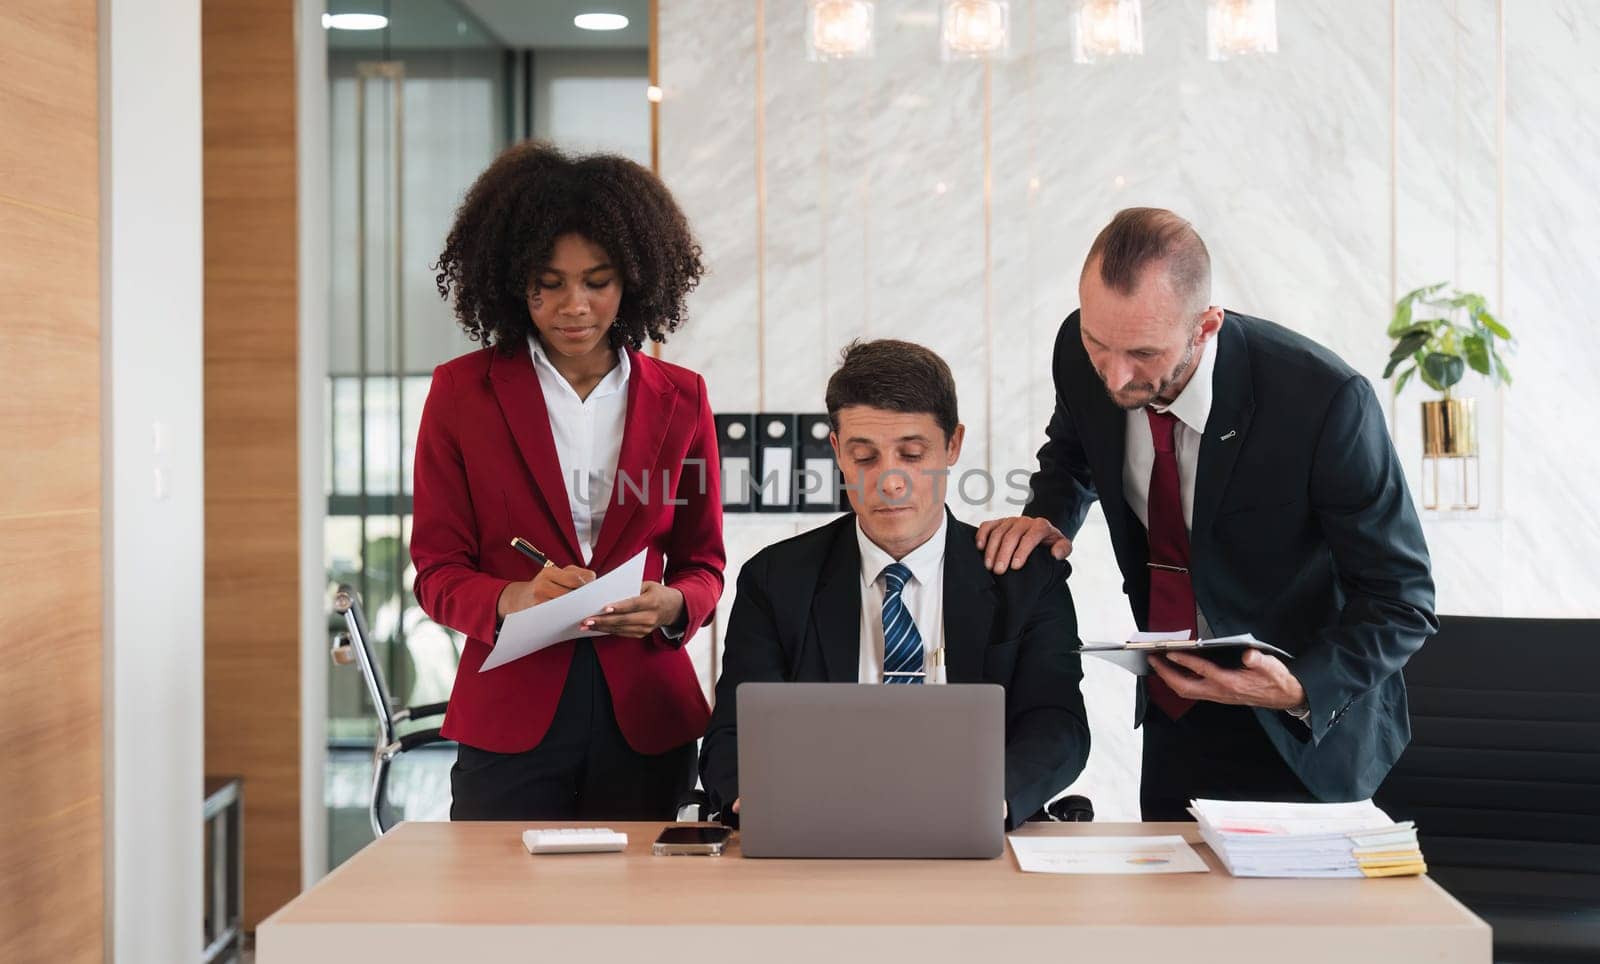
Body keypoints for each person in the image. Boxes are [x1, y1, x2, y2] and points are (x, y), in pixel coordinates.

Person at [978, 207, 1437, 820]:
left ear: (1207, 325)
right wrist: (1050, 516)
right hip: (1176, 709)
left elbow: (1401, 598)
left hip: (1308, 734)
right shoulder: (1080, 350)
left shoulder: (1323, 401)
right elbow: (1073, 449)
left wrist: (1302, 686)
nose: (1114, 375)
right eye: (1098, 343)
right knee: (1172, 912)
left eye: (1142, 352)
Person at [411, 141, 725, 821]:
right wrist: (514, 596)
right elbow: (436, 570)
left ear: (634, 280)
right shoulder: (461, 394)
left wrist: (672, 607)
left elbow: (704, 562)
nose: (573, 305)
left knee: (643, 921)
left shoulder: (683, 397)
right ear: (508, 278)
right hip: (511, 713)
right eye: (546, 282)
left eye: (598, 280)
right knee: (503, 919)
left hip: (647, 713)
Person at [700, 339, 1090, 828]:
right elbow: (732, 733)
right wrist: (754, 798)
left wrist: (991, 801)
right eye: (865, 457)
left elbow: (1058, 725)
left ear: (952, 445)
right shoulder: (774, 580)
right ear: (837, 451)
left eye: (911, 454)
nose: (889, 481)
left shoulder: (1024, 575)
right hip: (817, 837)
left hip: (974, 834)